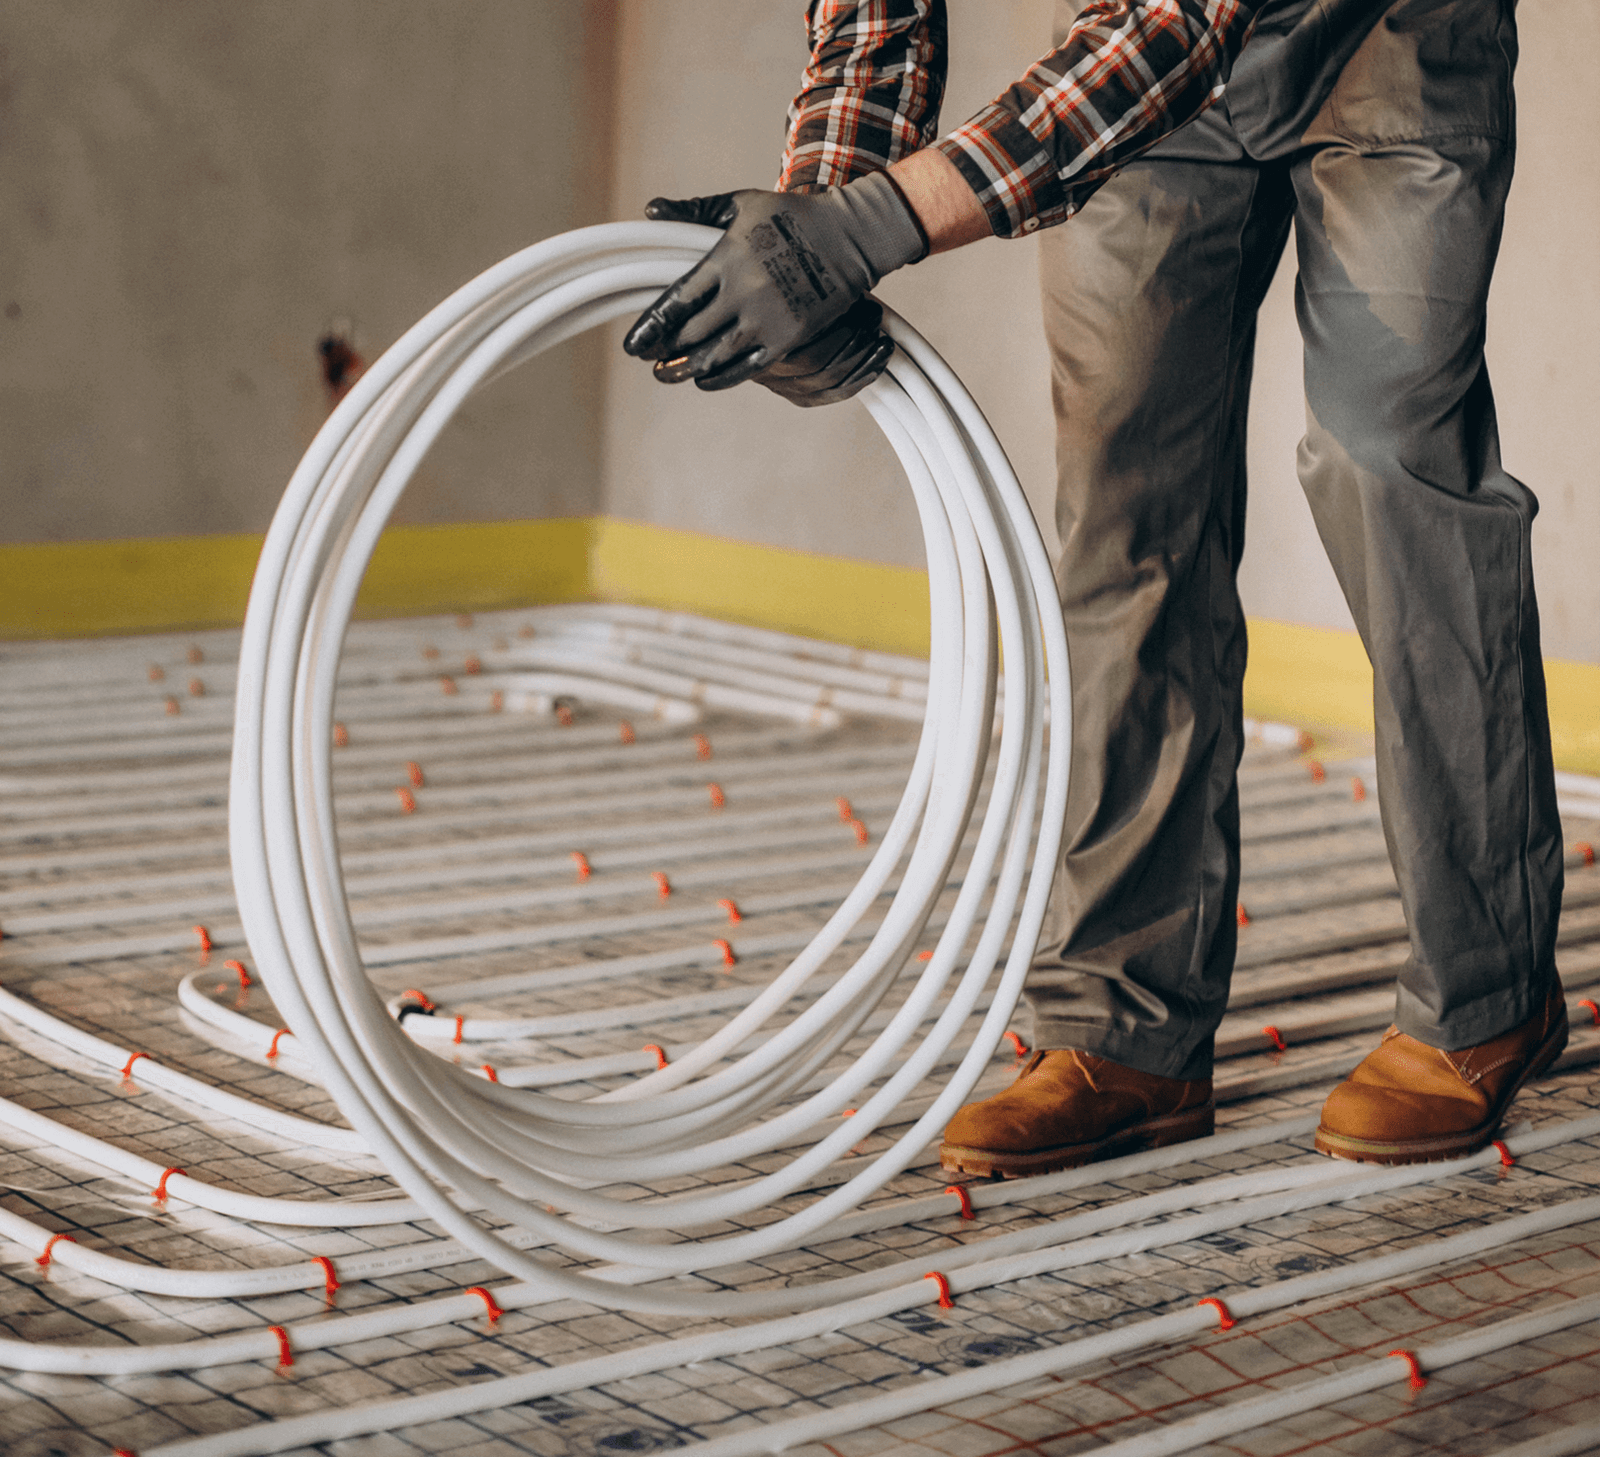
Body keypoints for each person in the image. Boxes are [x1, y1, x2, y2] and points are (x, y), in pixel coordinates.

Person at [624, 0, 1568, 1174]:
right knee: (1123, 501)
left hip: (1389, 37)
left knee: (1384, 455)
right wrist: (818, 212)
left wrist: (871, 225)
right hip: (1138, 68)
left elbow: (1177, 27)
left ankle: (1483, 998)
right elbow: (876, 15)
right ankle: (1122, 1030)